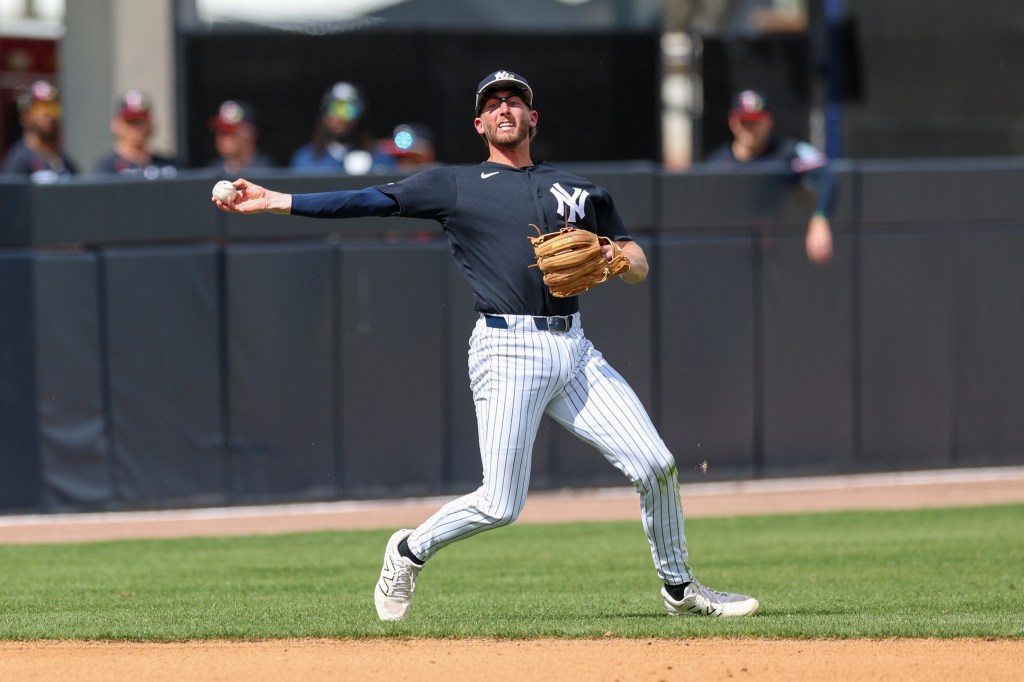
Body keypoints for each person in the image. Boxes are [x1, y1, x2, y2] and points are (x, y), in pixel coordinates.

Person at [214, 69, 759, 622]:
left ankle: (679, 588)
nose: (505, 108)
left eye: (515, 101)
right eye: (493, 103)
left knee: (656, 464)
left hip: (575, 350)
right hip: (507, 349)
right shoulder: (456, 185)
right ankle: (407, 550)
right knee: (500, 504)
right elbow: (363, 200)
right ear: (479, 123)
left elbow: (638, 263)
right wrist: (272, 200)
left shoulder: (580, 189)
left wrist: (616, 257)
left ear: (532, 118)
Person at [705, 89, 838, 265]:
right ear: (733, 122)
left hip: (782, 256)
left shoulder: (787, 153)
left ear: (768, 121)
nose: (750, 128)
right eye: (745, 121)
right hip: (728, 258)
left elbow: (826, 175)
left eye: (756, 121)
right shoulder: (715, 165)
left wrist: (819, 219)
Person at [289, 81, 379, 174]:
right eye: (333, 108)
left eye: (348, 110)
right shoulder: (305, 158)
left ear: (360, 116)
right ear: (323, 114)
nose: (339, 117)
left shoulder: (379, 157)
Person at [1, 79, 78, 183]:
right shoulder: (18, 162)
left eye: (53, 108)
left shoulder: (66, 162)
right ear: (25, 117)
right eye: (39, 109)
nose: (47, 114)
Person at [93, 89, 177, 179]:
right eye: (131, 122)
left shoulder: (168, 166)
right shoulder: (107, 169)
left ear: (151, 124)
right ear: (116, 124)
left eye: (141, 121)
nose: (136, 128)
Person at [207, 100, 276, 176]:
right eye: (219, 131)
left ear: (250, 133)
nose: (221, 138)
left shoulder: (267, 169)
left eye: (229, 132)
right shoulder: (213, 169)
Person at [374, 123, 438, 173]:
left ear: (430, 155)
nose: (405, 167)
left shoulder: (443, 179)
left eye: (412, 160)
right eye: (400, 159)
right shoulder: (389, 183)